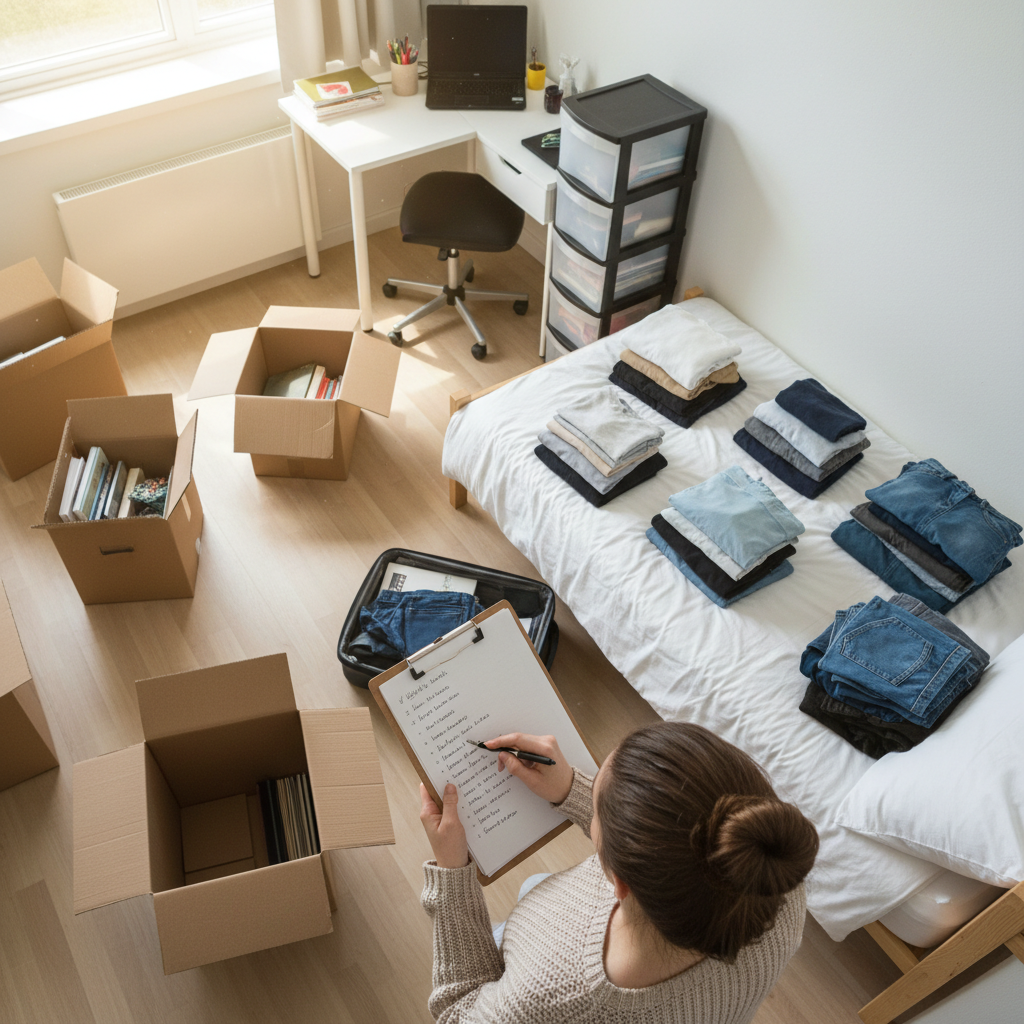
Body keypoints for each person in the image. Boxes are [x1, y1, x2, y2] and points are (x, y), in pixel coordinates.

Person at [418, 721, 819, 1023]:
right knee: (534, 885)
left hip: (526, 966)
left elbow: (460, 1012)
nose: (592, 804)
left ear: (621, 884)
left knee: (526, 895)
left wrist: (453, 877)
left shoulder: (551, 993)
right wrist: (571, 788)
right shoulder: (772, 870)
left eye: (597, 810)